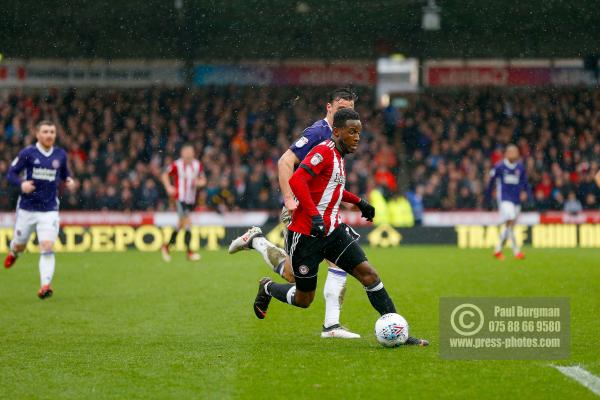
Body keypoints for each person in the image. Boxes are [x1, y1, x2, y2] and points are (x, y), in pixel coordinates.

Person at [251, 109, 428, 346]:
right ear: (336, 132)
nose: (357, 137)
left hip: (332, 232)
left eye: (359, 132)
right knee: (304, 299)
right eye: (352, 132)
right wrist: (313, 215)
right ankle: (269, 288)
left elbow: (332, 189)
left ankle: (399, 332)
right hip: (305, 235)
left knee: (370, 275)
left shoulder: (339, 158)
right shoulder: (323, 151)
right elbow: (297, 180)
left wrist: (360, 202)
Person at [229, 88, 361, 339]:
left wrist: (344, 200)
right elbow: (284, 162)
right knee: (292, 276)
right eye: (341, 108)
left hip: (324, 212)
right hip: (302, 212)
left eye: (350, 109)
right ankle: (257, 242)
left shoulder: (343, 135)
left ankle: (331, 326)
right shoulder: (318, 132)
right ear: (329, 107)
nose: (345, 113)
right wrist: (289, 198)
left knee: (338, 260)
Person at [4, 120, 75, 299]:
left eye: (52, 132)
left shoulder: (60, 154)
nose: (49, 135)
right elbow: (10, 173)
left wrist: (69, 180)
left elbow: (65, 174)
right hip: (27, 208)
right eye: (45, 132)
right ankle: (14, 252)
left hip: (49, 209)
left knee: (47, 245)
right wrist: (22, 184)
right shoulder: (28, 153)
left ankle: (45, 285)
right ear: (37, 134)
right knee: (20, 244)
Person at [485, 144, 532, 260]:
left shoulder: (520, 167)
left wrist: (527, 194)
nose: (514, 154)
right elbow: (491, 182)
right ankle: (516, 251)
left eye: (516, 152)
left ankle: (498, 250)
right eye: (511, 152)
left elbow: (525, 183)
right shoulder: (499, 167)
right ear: (506, 154)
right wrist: (488, 197)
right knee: (510, 221)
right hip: (505, 199)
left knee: (509, 226)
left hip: (516, 200)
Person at [160, 144, 206, 262]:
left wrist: (199, 183)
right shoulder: (177, 165)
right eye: (186, 156)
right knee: (187, 223)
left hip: (191, 200)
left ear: (193, 155)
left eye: (190, 156)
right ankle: (190, 252)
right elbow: (164, 174)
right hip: (179, 199)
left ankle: (166, 247)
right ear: (182, 155)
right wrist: (168, 187)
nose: (188, 158)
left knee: (180, 225)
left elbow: (203, 180)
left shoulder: (197, 165)